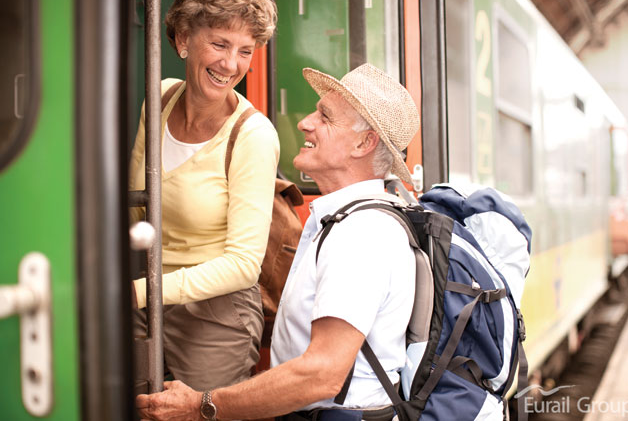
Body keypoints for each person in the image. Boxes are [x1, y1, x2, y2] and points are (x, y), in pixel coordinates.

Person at [136, 63, 421, 421]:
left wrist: (202, 405)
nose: (305, 123)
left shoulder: (360, 235)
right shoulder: (344, 222)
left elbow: (321, 374)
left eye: (325, 117)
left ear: (364, 143)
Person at [129, 0, 278, 391]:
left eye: (245, 51)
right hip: (145, 289)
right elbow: (135, 205)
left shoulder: (253, 136)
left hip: (217, 309)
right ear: (182, 39)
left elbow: (245, 263)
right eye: (219, 44)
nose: (231, 64)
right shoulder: (159, 98)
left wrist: (140, 292)